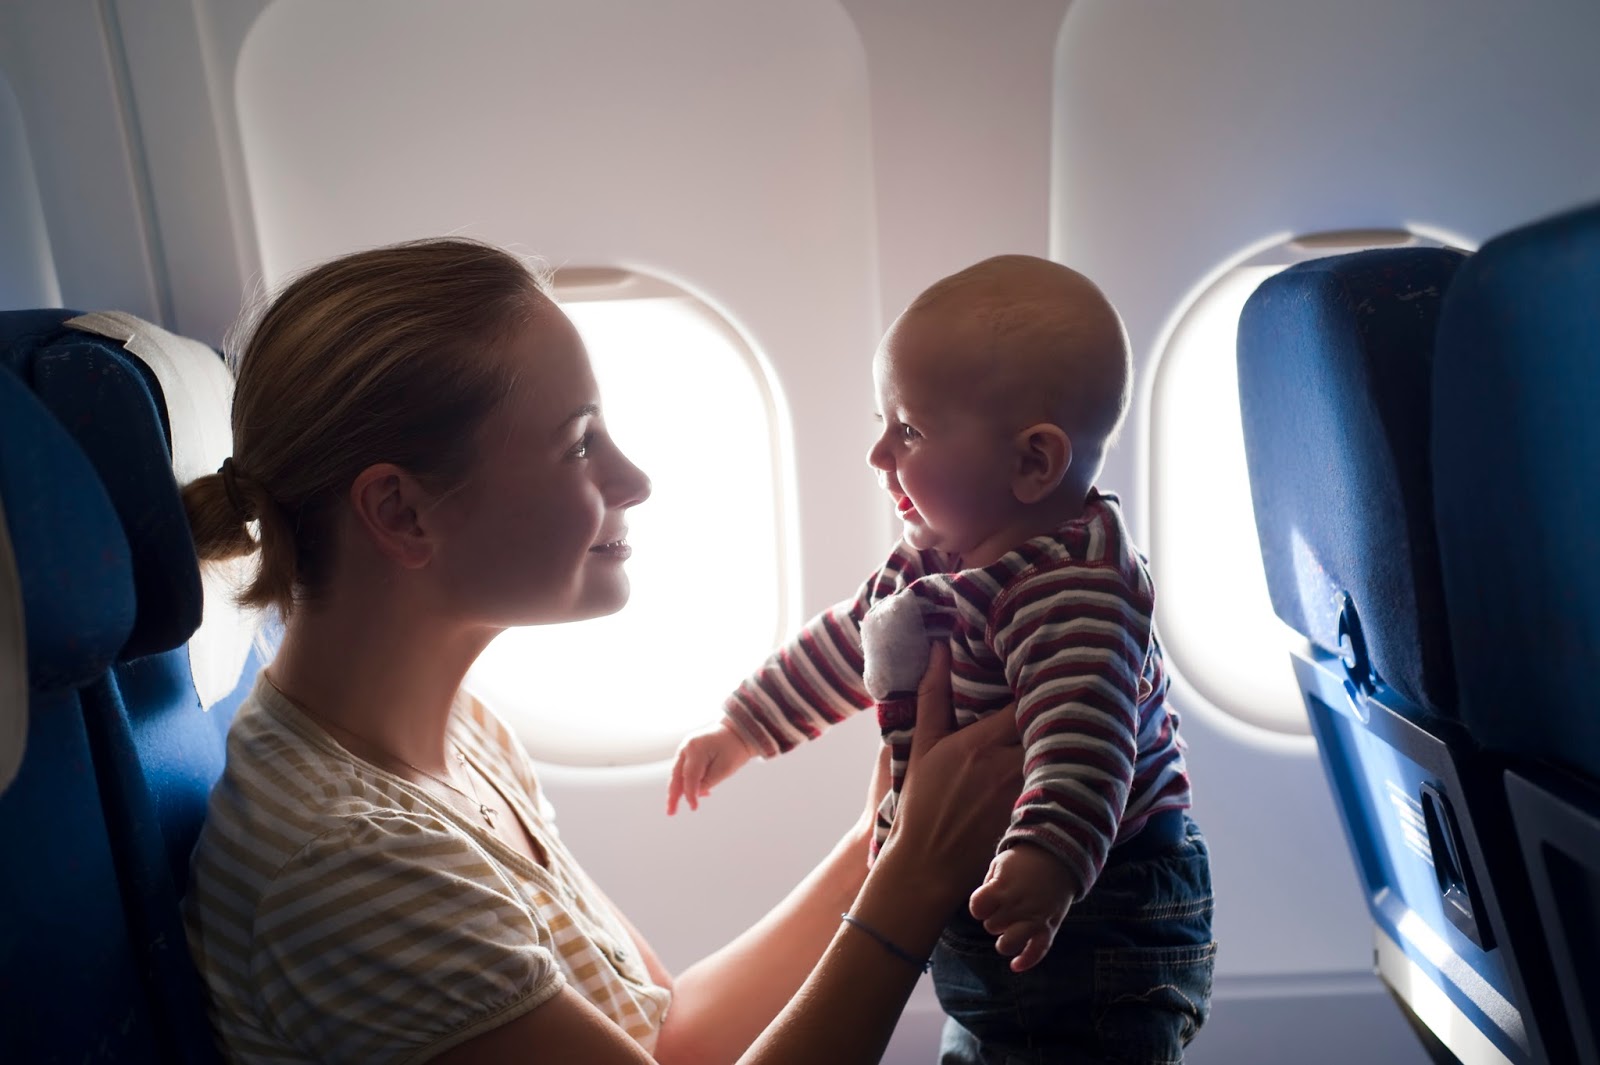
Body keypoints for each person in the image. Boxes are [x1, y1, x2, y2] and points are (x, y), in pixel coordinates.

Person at [179, 237, 1026, 1065]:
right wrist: (914, 881)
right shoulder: (346, 871)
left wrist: (877, 844)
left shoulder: (461, 736)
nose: (634, 480)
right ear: (401, 513)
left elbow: (668, 1035)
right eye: (580, 442)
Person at [668, 255, 1217, 1063]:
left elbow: (1086, 743)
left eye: (910, 430)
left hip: (1098, 904)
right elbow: (850, 638)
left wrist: (1046, 859)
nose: (877, 452)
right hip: (1007, 882)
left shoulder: (1074, 589)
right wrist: (746, 726)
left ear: (1032, 461)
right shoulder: (937, 554)